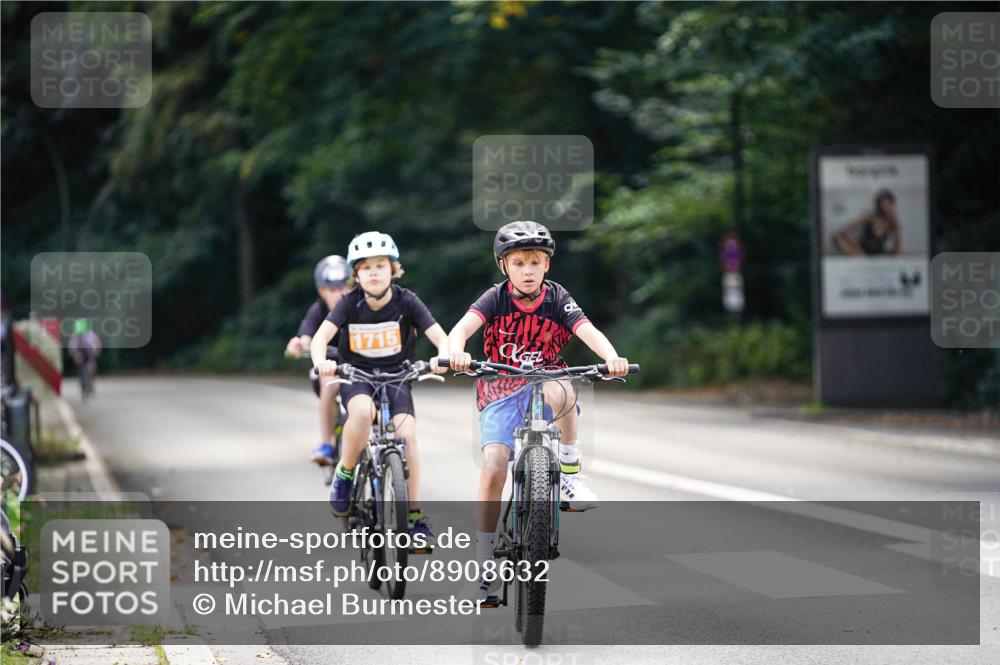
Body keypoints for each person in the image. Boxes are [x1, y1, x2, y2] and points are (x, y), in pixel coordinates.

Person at [445, 220, 629, 604]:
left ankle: (570, 472)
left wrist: (612, 358)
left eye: (535, 262)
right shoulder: (494, 298)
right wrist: (456, 352)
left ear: (547, 264)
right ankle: (485, 564)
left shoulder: (558, 298)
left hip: (546, 380)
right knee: (494, 465)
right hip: (501, 384)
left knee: (564, 386)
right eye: (518, 263)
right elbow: (460, 330)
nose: (527, 271)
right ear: (504, 266)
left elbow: (587, 330)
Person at [310, 232, 448, 549]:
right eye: (366, 267)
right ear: (356, 275)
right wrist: (321, 362)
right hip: (357, 376)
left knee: (408, 436)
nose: (373, 273)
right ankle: (345, 474)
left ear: (393, 270)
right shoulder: (348, 303)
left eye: (380, 266)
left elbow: (440, 336)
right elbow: (320, 339)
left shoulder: (407, 301)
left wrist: (442, 356)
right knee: (360, 413)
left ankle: (415, 519)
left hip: (397, 377)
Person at [286, 255, 353, 466]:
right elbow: (306, 336)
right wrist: (299, 345)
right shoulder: (318, 311)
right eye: (332, 289)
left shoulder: (359, 307)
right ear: (321, 291)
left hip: (357, 366)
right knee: (329, 384)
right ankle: (327, 444)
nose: (338, 294)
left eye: (343, 288)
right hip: (327, 368)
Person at [833, 189, 902, 256]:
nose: (886, 207)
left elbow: (897, 246)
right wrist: (853, 245)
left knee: (900, 252)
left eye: (888, 204)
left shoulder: (892, 221)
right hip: (861, 252)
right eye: (883, 204)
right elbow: (847, 227)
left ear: (892, 204)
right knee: (838, 237)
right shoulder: (870, 216)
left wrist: (897, 227)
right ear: (879, 205)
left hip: (879, 253)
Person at [67, 319, 101, 398]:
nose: (80, 334)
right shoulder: (74, 336)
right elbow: (71, 348)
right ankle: (83, 384)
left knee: (91, 365)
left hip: (89, 351)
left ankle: (91, 380)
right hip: (79, 351)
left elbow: (97, 344)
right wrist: (75, 355)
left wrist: (96, 352)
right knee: (80, 364)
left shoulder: (91, 334)